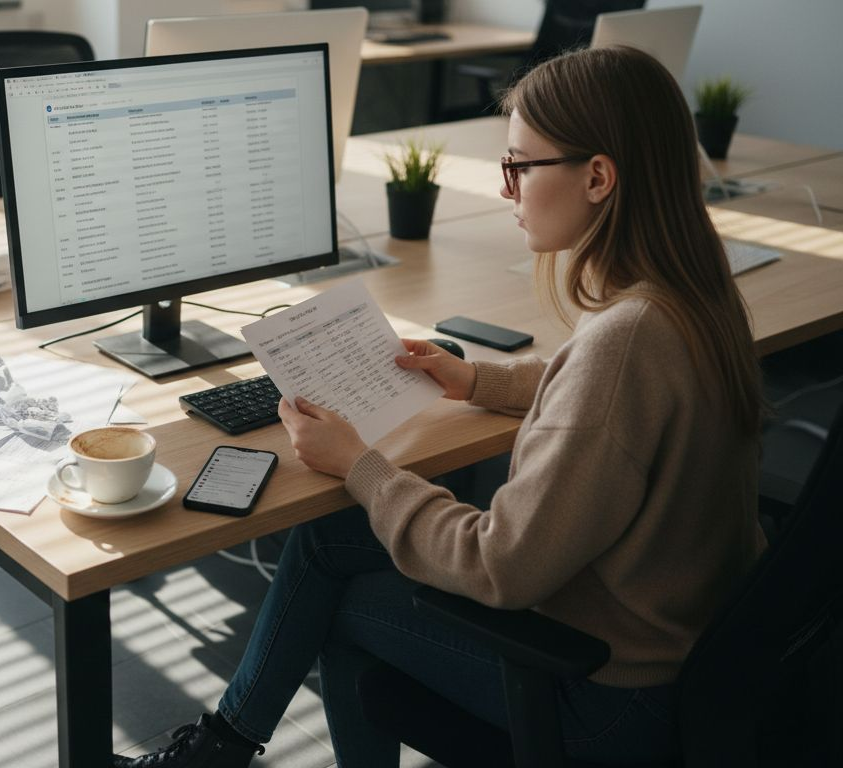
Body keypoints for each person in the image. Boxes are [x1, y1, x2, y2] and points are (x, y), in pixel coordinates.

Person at [113, 45, 766, 768]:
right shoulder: (691, 297)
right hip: (690, 657)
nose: (506, 189)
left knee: (337, 601)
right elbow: (597, 396)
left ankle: (219, 750)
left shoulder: (625, 342)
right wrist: (475, 380)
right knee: (326, 543)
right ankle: (222, 747)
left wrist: (360, 466)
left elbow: (502, 566)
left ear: (598, 177)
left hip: (605, 699)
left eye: (519, 166)